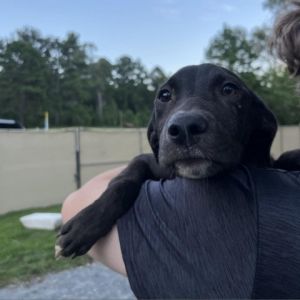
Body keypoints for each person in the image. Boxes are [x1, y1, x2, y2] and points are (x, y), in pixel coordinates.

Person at [61, 4, 300, 298]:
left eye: (228, 91)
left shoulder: (254, 211)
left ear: (258, 123)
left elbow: (74, 203)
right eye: (166, 97)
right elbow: (148, 163)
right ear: (156, 133)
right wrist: (122, 188)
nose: (183, 120)